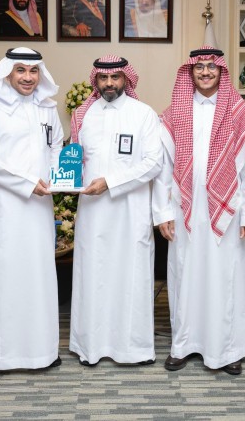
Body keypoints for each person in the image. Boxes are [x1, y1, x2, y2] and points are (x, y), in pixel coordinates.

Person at [153, 47, 245, 376]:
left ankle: (228, 350)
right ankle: (183, 345)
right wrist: (162, 213)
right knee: (185, 275)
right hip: (183, 207)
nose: (204, 72)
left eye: (211, 67)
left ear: (221, 72)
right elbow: (163, 167)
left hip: (228, 209)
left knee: (225, 278)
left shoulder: (239, 113)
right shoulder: (175, 113)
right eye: (198, 67)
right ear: (190, 72)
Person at [0, 47, 65, 382]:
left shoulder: (47, 107)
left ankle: (42, 351)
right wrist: (27, 183)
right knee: (1, 280)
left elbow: (56, 147)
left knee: (38, 277)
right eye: (20, 70)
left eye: (33, 71)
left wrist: (57, 178)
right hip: (4, 209)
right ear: (8, 73)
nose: (27, 77)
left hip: (39, 207)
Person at [68, 55, 163, 366]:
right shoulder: (83, 115)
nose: (109, 83)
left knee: (130, 275)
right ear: (95, 80)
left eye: (116, 77)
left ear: (126, 79)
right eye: (103, 78)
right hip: (93, 212)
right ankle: (91, 347)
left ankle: (133, 349)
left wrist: (110, 182)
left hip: (130, 212)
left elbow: (154, 163)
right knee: (93, 274)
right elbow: (74, 159)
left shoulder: (143, 114)